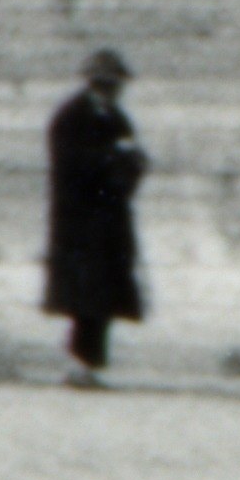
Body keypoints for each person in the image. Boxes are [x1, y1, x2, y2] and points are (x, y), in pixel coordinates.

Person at [44, 48, 147, 383]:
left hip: (110, 222)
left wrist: (129, 166)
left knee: (104, 295)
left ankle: (90, 365)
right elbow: (72, 167)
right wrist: (110, 161)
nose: (111, 91)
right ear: (92, 84)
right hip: (80, 223)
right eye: (104, 84)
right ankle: (79, 364)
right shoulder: (71, 117)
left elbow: (132, 162)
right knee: (84, 297)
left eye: (115, 85)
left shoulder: (118, 119)